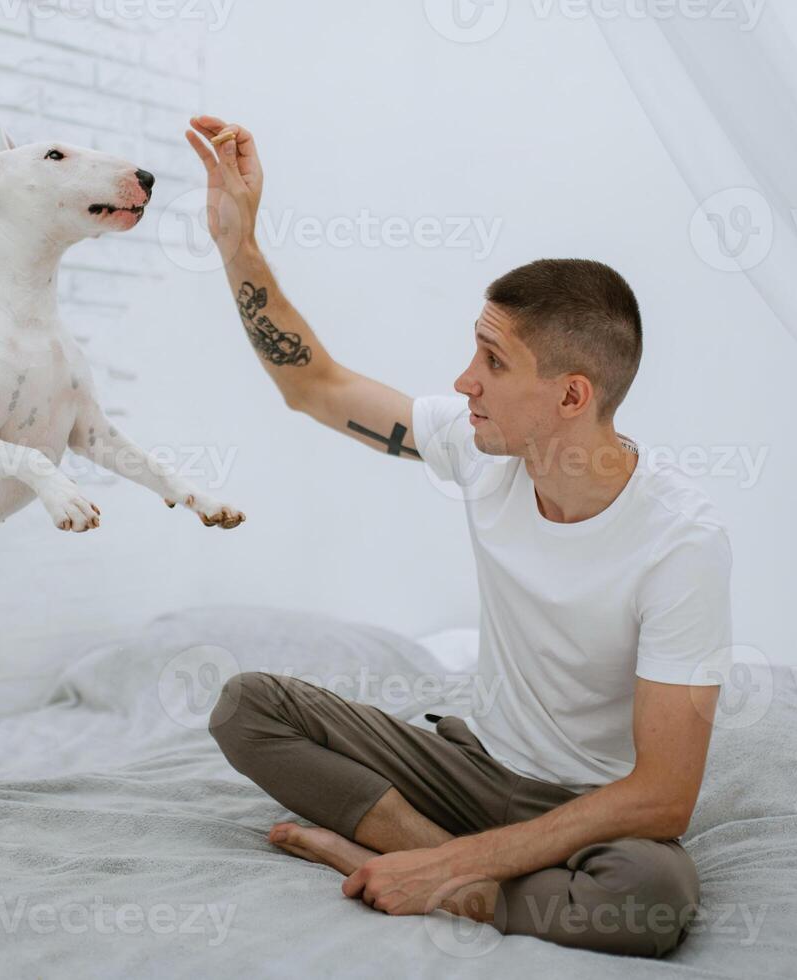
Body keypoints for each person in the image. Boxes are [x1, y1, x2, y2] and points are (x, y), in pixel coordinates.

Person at [185, 116, 734, 958]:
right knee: (247, 708)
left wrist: (451, 866)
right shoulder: (483, 448)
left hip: (588, 807)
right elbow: (316, 387)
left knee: (652, 900)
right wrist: (237, 243)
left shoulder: (681, 542)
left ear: (571, 396)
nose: (462, 382)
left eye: (493, 361)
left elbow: (664, 798)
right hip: (471, 768)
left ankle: (425, 866)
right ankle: (440, 866)